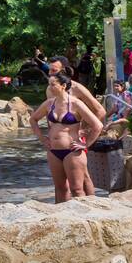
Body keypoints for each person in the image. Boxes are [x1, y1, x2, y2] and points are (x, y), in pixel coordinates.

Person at [30, 73, 102, 203]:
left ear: (63, 86)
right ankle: (60, 219)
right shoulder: (49, 103)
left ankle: (85, 217)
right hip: (53, 151)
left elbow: (97, 125)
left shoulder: (76, 104)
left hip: (72, 151)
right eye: (49, 84)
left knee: (77, 189)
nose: (50, 87)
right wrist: (41, 138)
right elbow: (33, 119)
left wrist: (86, 144)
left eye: (53, 84)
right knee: (60, 188)